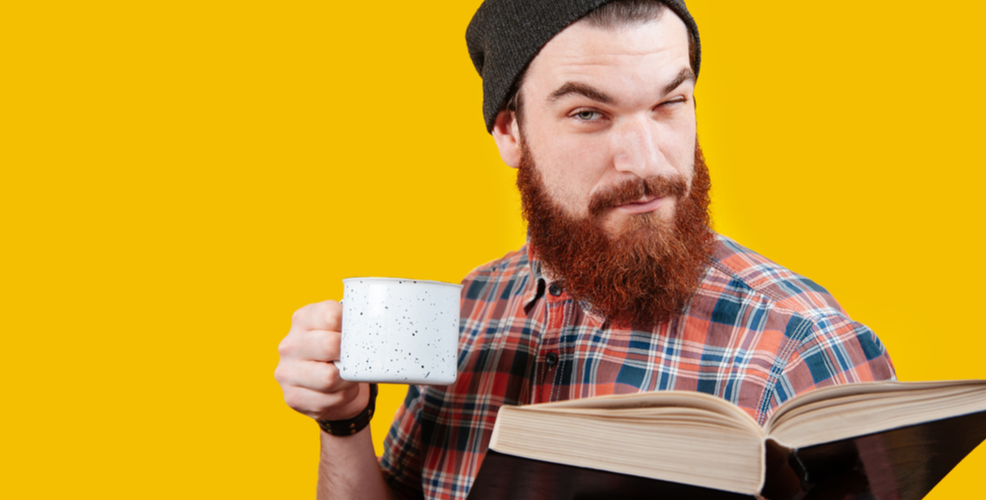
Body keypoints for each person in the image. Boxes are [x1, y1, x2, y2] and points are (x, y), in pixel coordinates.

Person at [274, 1, 896, 499]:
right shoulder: (466, 313)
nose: (647, 161)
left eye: (669, 103)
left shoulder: (799, 345)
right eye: (589, 114)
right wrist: (345, 424)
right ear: (508, 131)